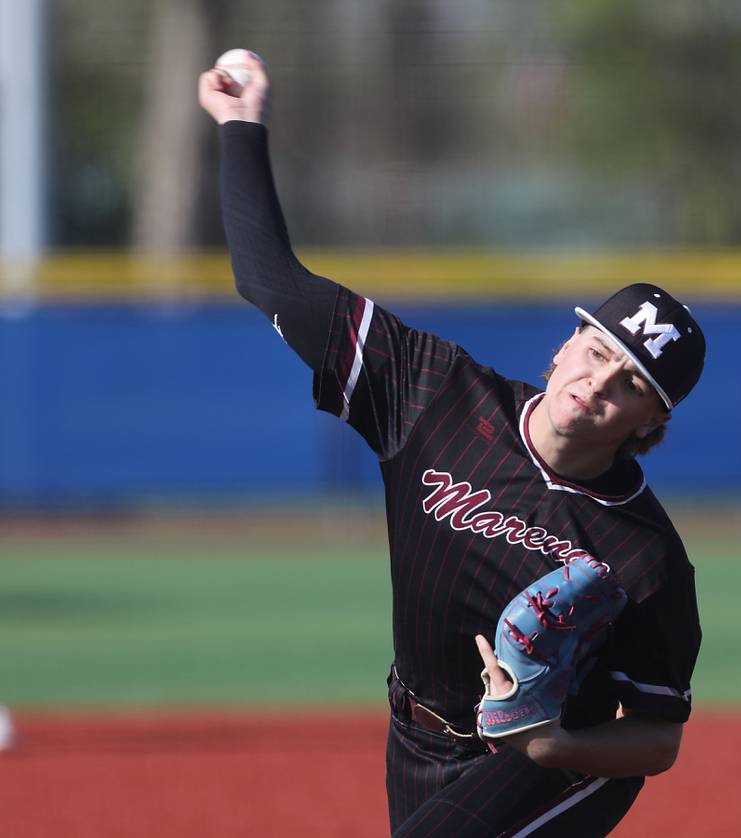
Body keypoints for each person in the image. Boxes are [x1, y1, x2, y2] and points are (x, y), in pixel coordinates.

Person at [199, 53, 704, 838]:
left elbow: (658, 735)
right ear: (568, 345)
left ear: (649, 423)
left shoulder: (644, 557)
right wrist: (241, 125)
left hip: (545, 765)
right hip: (414, 731)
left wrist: (556, 740)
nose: (602, 382)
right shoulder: (434, 393)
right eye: (600, 351)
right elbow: (268, 278)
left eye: (633, 384)